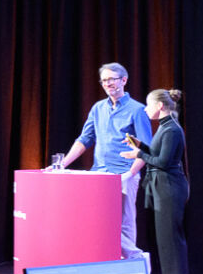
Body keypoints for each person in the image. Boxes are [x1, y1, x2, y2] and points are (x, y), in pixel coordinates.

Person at [60, 61, 152, 259]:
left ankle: (130, 264)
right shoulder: (98, 108)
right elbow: (84, 139)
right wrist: (62, 164)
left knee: (125, 222)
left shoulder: (137, 110)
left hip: (124, 173)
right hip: (99, 173)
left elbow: (146, 148)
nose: (108, 84)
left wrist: (130, 174)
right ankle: (135, 258)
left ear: (124, 80)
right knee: (94, 219)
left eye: (112, 79)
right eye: (104, 81)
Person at [126, 88, 190, 274]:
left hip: (169, 186)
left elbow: (163, 162)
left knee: (170, 235)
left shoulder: (172, 129)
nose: (146, 109)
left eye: (149, 105)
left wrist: (139, 154)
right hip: (156, 186)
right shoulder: (164, 127)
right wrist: (140, 145)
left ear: (160, 106)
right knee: (154, 235)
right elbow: (157, 154)